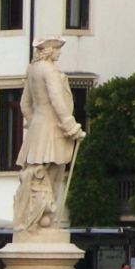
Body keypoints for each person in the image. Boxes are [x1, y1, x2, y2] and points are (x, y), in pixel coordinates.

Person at [12, 38, 84, 237]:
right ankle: (45, 220)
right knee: (52, 175)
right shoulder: (49, 71)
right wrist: (71, 126)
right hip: (53, 130)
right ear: (49, 50)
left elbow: (24, 104)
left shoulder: (33, 70)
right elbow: (57, 100)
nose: (59, 53)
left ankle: (36, 220)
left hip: (38, 129)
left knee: (38, 175)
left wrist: (34, 122)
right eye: (57, 49)